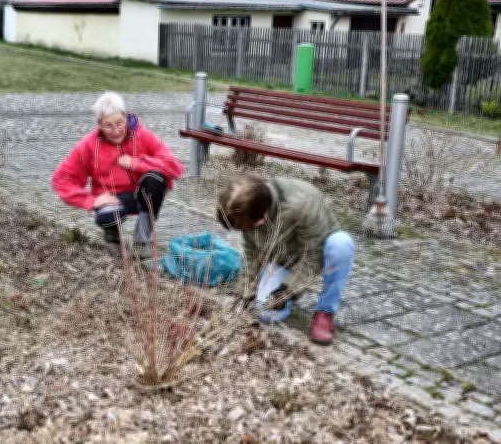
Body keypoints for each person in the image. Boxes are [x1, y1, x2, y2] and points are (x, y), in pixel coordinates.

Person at [215, 174, 355, 345]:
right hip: (284, 259)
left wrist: (287, 291)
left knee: (341, 245)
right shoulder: (248, 207)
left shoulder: (303, 203)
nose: (245, 232)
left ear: (262, 218)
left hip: (316, 249)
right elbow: (252, 255)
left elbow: (313, 256)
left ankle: (325, 311)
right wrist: (244, 294)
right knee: (267, 313)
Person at [51, 91, 184, 258]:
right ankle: (111, 229)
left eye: (120, 123)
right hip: (111, 199)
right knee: (108, 215)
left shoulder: (143, 136)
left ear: (126, 117)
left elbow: (175, 167)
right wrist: (90, 200)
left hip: (140, 195)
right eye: (108, 125)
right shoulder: (88, 145)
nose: (116, 131)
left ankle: (142, 240)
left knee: (156, 179)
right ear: (99, 124)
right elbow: (61, 179)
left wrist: (137, 163)